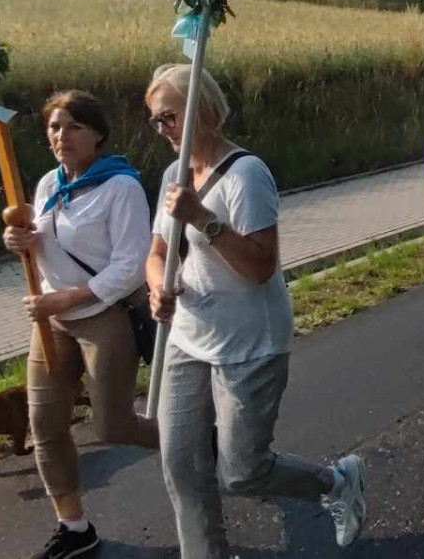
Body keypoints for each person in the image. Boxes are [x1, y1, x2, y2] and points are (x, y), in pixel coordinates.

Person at [145, 64, 369, 556]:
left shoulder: (246, 174)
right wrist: (157, 287)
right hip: (187, 336)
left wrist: (202, 218)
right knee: (181, 465)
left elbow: (260, 267)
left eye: (169, 116)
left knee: (242, 472)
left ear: (203, 110)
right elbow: (158, 251)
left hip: (249, 342)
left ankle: (336, 482)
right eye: (156, 120)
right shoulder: (172, 176)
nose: (162, 129)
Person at [3, 90, 160, 559]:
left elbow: (130, 265)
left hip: (103, 318)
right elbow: (46, 246)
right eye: (55, 127)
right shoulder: (48, 184)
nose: (62, 136)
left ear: (98, 134)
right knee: (45, 425)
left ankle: (195, 440)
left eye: (74, 126)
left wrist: (71, 296)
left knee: (113, 426)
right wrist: (20, 241)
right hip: (53, 323)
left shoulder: (121, 187)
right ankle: (74, 528)